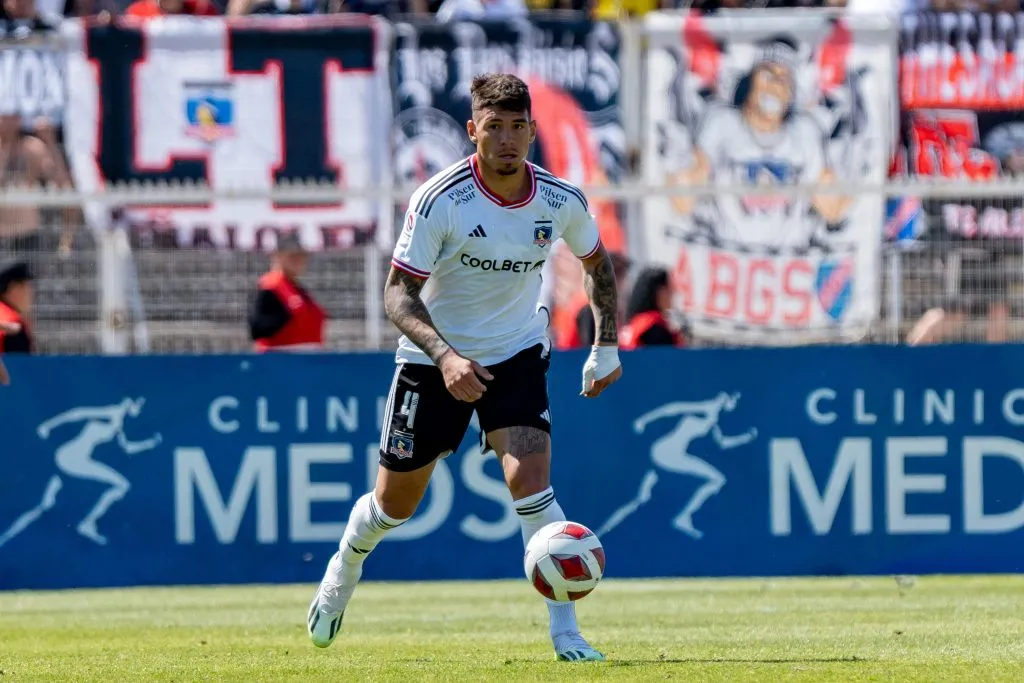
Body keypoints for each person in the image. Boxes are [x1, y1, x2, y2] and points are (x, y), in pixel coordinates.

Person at [307, 73, 623, 662]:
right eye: (494, 127)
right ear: (473, 129)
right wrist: (447, 356)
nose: (507, 139)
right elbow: (397, 295)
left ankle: (567, 634)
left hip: (517, 351)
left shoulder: (560, 200)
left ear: (532, 130)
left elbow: (596, 265)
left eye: (518, 127)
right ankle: (343, 570)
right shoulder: (440, 199)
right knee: (392, 508)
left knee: (531, 484)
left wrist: (606, 345)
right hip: (433, 361)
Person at [249, 233, 327, 352]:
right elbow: (258, 329)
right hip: (280, 361)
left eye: (302, 256)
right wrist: (287, 312)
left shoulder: (295, 288)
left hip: (305, 361)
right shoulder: (271, 288)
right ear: (278, 257)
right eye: (293, 256)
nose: (299, 261)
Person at [620, 267, 685, 350]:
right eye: (669, 287)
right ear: (659, 292)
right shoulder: (654, 330)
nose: (673, 292)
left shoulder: (636, 324)